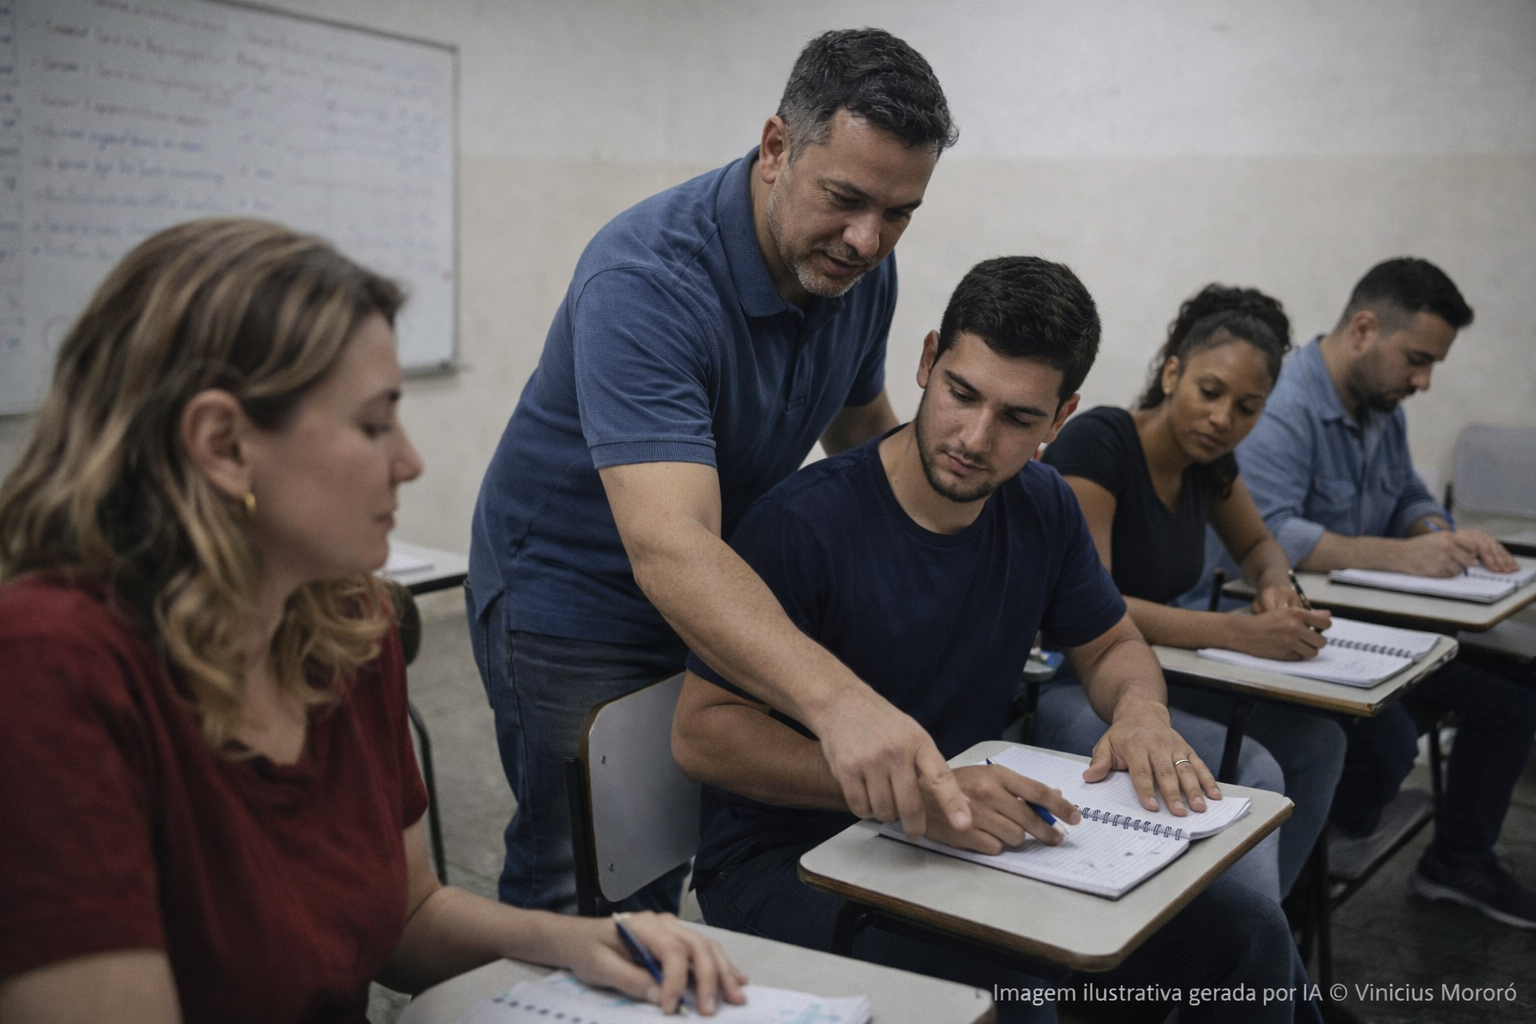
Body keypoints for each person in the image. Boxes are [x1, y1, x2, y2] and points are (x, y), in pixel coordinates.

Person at [0, 219, 746, 1022]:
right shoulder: (50, 669)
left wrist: (573, 943)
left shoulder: (343, 622)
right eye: (372, 423)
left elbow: (405, 918)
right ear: (222, 444)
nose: (411, 461)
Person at [672, 257, 1320, 1024]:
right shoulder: (802, 524)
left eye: (1018, 418)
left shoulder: (1041, 504)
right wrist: (922, 788)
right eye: (961, 394)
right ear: (926, 361)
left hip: (963, 837)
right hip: (792, 861)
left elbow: (1111, 646)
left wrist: (1142, 714)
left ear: (1061, 416)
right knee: (1012, 999)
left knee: (1249, 939)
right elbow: (703, 735)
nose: (975, 439)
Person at [466, 28, 973, 915]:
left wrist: (973, 521)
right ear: (777, 147)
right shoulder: (648, 279)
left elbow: (864, 441)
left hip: (711, 580)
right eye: (846, 198)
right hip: (574, 596)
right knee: (588, 876)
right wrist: (839, 700)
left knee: (668, 849)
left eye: (899, 213)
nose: (866, 240)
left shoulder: (853, 274)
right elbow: (668, 545)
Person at [1214, 256, 1536, 928]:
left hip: (1377, 628)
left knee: (1510, 697)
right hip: (1305, 632)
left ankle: (1455, 863)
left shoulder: (1379, 405)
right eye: (1417, 359)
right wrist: (1403, 553)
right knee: (1384, 738)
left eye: (1433, 366)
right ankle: (1310, 871)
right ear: (1363, 329)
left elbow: (1409, 496)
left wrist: (1438, 534)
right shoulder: (1283, 405)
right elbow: (1266, 536)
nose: (1422, 381)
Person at [1036, 285, 1346, 900]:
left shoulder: (1210, 465)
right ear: (1173, 371)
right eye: (1211, 393)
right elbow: (1096, 605)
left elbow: (1260, 547)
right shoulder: (1100, 443)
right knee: (1253, 767)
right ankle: (1219, 956)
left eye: (1247, 408)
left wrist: (1276, 588)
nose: (1223, 419)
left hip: (1152, 675)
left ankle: (1252, 948)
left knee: (1319, 743)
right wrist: (1242, 633)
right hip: (1073, 680)